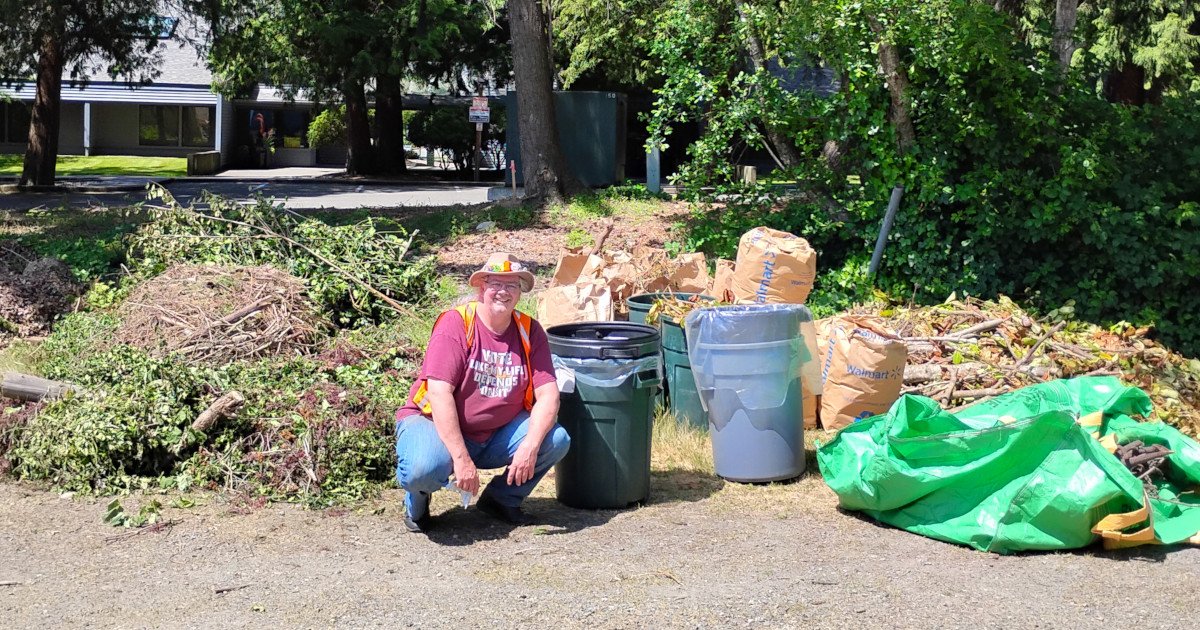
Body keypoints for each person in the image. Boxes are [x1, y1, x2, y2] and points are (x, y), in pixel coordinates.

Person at [393, 253, 570, 533]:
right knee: (422, 468)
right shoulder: (457, 324)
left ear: (520, 292)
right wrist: (461, 459)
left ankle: (501, 499)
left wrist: (529, 447)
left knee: (556, 439)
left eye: (512, 285)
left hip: (495, 434)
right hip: (433, 423)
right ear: (481, 287)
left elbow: (549, 395)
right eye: (495, 283)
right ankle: (418, 501)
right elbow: (439, 393)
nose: (503, 292)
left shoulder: (529, 331)